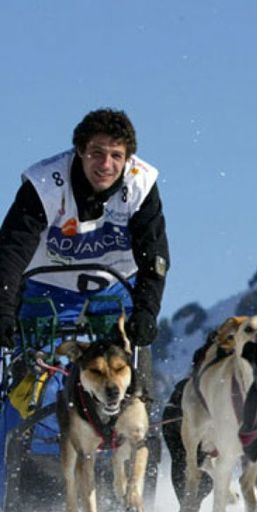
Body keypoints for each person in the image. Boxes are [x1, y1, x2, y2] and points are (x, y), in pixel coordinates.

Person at [0, 108, 169, 356]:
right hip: (49, 285)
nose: (106, 165)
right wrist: (3, 309)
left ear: (128, 159)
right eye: (97, 153)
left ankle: (138, 392)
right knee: (35, 374)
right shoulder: (45, 185)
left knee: (122, 366)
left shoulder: (139, 185)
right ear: (80, 151)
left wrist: (147, 311)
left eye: (116, 156)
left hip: (116, 285)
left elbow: (154, 257)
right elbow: (11, 251)